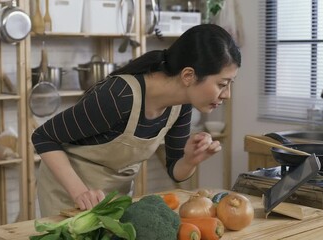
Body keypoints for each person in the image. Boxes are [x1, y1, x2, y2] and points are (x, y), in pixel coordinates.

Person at [32, 23, 241, 217]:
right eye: (222, 84)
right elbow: (43, 136)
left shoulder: (181, 105)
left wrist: (190, 159)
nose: (227, 94)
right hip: (68, 194)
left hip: (112, 199)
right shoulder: (119, 96)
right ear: (188, 75)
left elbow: (175, 171)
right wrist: (80, 193)